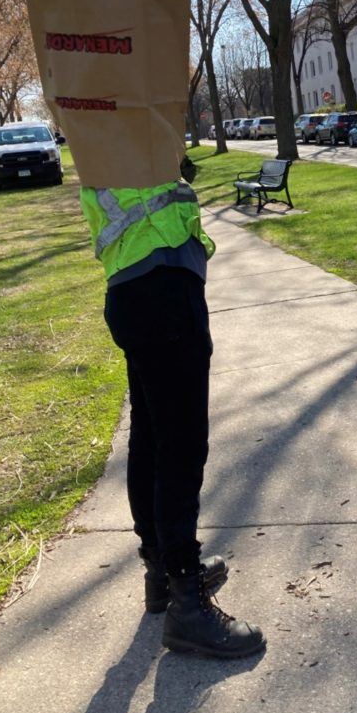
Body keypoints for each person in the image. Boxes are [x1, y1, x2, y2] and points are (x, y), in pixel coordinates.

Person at [80, 156, 265, 659]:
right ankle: (187, 600)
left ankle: (161, 570)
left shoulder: (101, 128)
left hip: (130, 288)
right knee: (182, 444)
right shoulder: (134, 117)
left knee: (151, 435)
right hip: (163, 287)